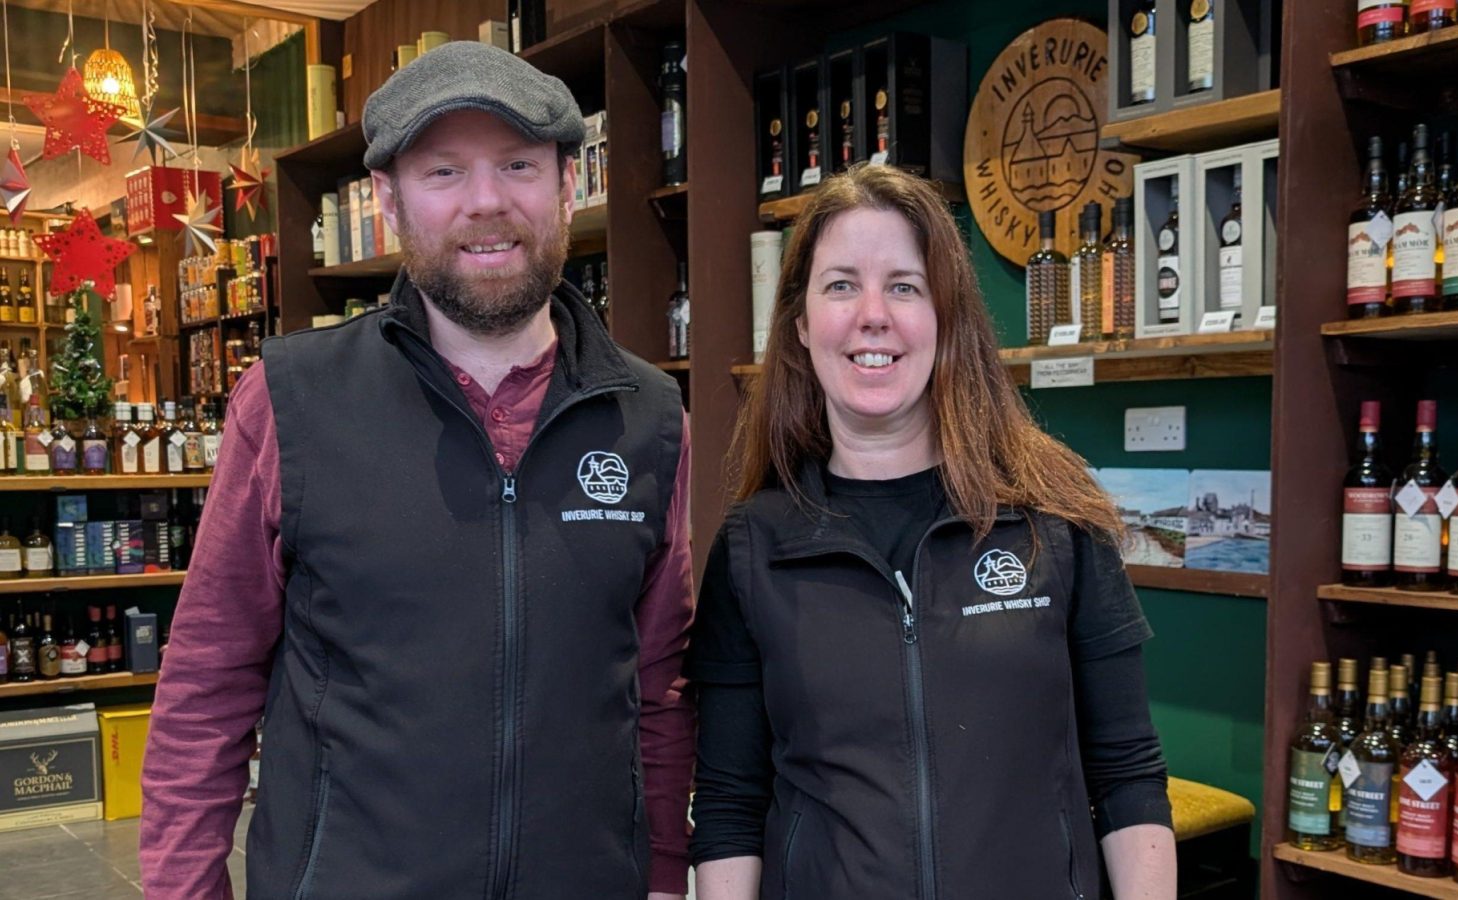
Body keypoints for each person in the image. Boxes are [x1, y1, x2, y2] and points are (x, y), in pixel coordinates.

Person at [139, 42, 694, 900]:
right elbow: (209, 676)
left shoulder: (651, 417)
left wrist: (662, 879)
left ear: (567, 186)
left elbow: (658, 683)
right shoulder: (290, 401)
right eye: (444, 173)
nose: (486, 202)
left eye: (517, 165)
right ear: (391, 201)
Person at [687, 165, 1177, 900]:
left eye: (905, 286)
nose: (873, 315)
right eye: (842, 284)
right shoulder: (755, 546)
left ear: (948, 317)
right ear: (800, 323)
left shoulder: (1055, 518)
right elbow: (729, 805)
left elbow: (1127, 772)